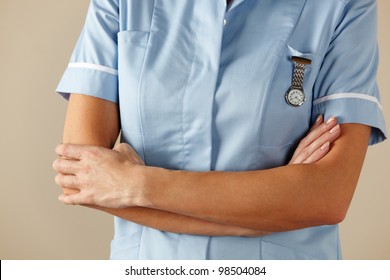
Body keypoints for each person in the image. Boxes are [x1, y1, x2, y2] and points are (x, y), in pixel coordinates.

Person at [53, 0, 387, 259]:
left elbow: (327, 196)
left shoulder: (342, 5)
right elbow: (81, 176)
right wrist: (256, 218)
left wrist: (136, 183)